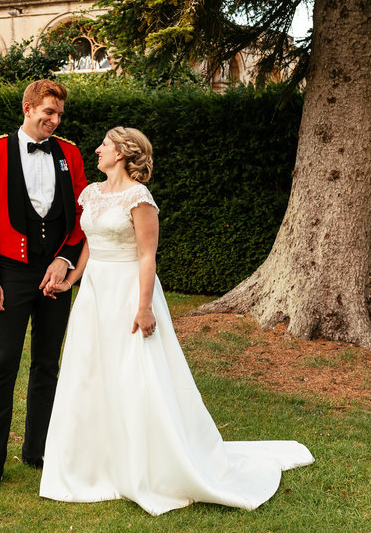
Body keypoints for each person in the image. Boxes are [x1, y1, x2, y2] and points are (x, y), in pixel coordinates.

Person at [38, 127, 314, 515]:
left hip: (129, 292)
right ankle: (93, 463)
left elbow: (147, 255)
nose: (97, 149)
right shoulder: (92, 194)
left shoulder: (140, 197)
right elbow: (89, 244)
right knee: (89, 372)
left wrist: (145, 306)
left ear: (121, 153)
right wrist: (71, 279)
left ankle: (147, 463)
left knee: (135, 375)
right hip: (95, 294)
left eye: (104, 144)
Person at [0, 79, 87, 496]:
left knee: (47, 363)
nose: (54, 121)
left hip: (54, 273)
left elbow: (79, 217)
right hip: (10, 273)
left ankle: (39, 450)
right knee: (3, 364)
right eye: (48, 113)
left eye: (59, 116)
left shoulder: (70, 153)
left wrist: (65, 259)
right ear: (28, 107)